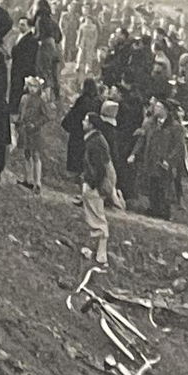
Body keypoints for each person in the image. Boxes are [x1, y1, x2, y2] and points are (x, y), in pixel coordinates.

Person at [80, 110, 122, 268]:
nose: (82, 123)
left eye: (85, 120)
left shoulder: (95, 142)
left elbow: (99, 168)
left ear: (91, 125)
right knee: (94, 217)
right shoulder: (95, 140)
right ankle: (97, 252)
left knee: (98, 218)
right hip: (93, 184)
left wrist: (91, 184)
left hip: (94, 185)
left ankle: (101, 256)